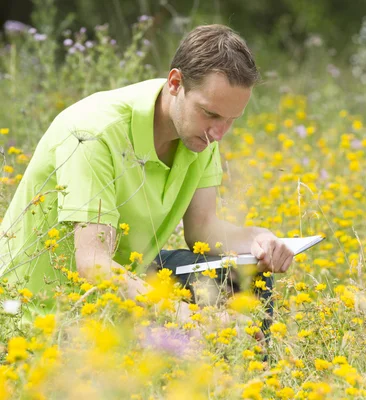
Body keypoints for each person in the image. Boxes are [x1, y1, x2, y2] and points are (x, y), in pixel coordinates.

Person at [0, 24, 294, 333]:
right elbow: (92, 264)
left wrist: (258, 240)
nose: (218, 134)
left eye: (231, 120)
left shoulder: (199, 134)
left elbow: (203, 229)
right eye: (210, 114)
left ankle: (256, 376)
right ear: (175, 83)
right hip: (38, 306)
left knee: (246, 271)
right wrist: (190, 318)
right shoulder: (93, 133)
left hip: (127, 279)